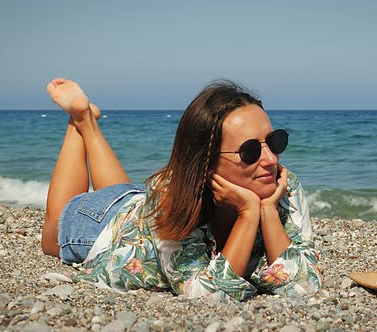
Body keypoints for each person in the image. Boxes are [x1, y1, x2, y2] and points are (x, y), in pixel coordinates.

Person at [42, 78, 322, 302]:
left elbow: (304, 283)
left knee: (123, 191)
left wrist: (267, 210)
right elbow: (209, 295)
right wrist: (248, 213)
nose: (271, 160)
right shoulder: (171, 196)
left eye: (274, 142)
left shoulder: (281, 184)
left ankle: (88, 123)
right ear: (206, 161)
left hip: (140, 205)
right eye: (249, 151)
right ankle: (78, 120)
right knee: (50, 240)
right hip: (104, 224)